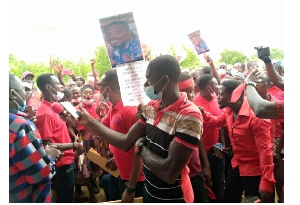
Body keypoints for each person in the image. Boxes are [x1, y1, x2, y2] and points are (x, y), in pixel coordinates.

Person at [70, 55, 203, 203]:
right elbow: (127, 142)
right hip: (150, 190)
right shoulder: (152, 107)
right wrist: (89, 123)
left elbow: (169, 172)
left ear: (164, 80)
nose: (145, 84)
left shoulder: (189, 115)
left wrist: (141, 148)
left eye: (149, 79)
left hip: (174, 196)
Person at [200, 79, 275, 203]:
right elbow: (217, 122)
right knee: (230, 198)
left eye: (221, 94)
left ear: (233, 95)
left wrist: (266, 182)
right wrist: (202, 113)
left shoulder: (256, 117)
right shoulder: (229, 109)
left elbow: (265, 151)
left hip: (254, 171)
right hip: (236, 164)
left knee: (253, 199)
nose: (217, 97)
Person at [9, 73, 60, 202]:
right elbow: (42, 175)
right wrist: (50, 155)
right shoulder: (19, 127)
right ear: (13, 94)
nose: (28, 94)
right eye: (23, 90)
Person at [96, 69, 145, 202]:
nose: (99, 91)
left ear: (107, 88)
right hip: (122, 173)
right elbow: (99, 128)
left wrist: (131, 187)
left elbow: (139, 149)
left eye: (100, 87)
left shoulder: (129, 110)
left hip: (136, 179)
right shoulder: (114, 108)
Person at [35, 73, 84, 203]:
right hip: (61, 166)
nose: (61, 87)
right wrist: (73, 146)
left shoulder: (55, 107)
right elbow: (47, 146)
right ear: (48, 87)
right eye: (57, 84)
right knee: (66, 199)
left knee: (69, 195)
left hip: (67, 161)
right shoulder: (45, 113)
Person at [244, 53, 284, 202]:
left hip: (278, 150)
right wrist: (267, 60)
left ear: (269, 86)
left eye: (260, 81)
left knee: (281, 185)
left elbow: (261, 110)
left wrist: (279, 149)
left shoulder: (277, 103)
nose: (257, 84)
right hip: (261, 153)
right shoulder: (245, 104)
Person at [178, 72, 211, 203]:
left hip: (196, 173)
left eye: (192, 92)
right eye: (186, 93)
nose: (191, 97)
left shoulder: (193, 111)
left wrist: (206, 165)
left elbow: (199, 138)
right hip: (178, 177)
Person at [193, 74, 225, 202]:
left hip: (216, 150)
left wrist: (222, 143)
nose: (218, 86)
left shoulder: (216, 100)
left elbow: (220, 123)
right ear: (208, 87)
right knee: (206, 186)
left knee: (219, 184)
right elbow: (197, 134)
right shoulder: (195, 104)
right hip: (202, 154)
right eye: (215, 84)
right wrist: (205, 163)